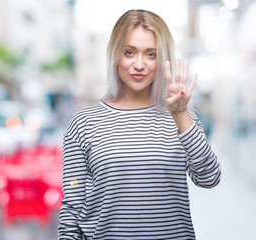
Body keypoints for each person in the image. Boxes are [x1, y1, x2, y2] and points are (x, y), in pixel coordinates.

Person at [59, 9, 221, 240]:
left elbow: (209, 178)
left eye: (151, 54)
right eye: (129, 52)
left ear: (162, 59)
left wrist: (181, 114)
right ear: (116, 54)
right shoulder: (84, 122)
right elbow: (72, 208)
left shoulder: (182, 116)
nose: (139, 64)